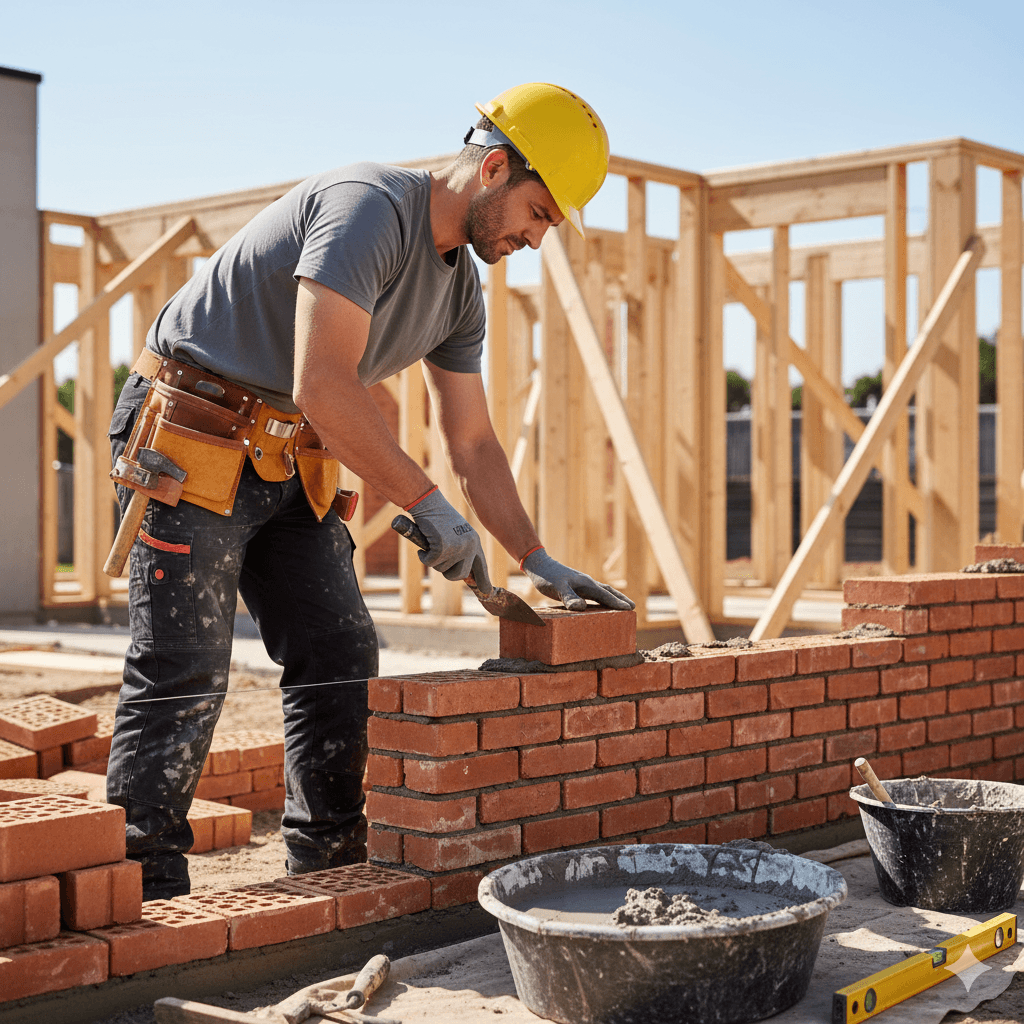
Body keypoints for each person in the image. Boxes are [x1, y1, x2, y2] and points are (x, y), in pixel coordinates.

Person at [106, 82, 634, 901]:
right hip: (191, 432)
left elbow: (474, 441)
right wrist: (426, 505)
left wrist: (534, 556)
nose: (538, 238)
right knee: (186, 664)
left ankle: (328, 871)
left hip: (288, 454)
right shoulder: (367, 207)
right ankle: (144, 897)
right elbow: (324, 383)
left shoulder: (461, 291)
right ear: (494, 167)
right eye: (538, 213)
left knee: (341, 653)